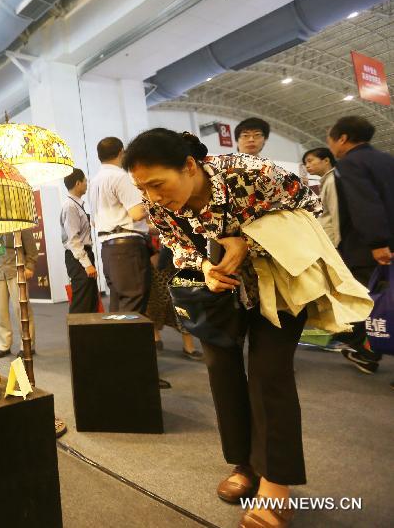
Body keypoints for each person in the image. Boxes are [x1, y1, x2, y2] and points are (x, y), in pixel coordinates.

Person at [124, 128, 321, 528]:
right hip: (218, 295)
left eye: (158, 183)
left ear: (190, 165)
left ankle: (275, 482)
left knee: (270, 373)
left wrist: (249, 242)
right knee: (220, 369)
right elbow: (177, 245)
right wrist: (205, 268)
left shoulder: (250, 173)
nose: (154, 196)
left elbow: (312, 214)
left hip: (280, 283)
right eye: (143, 187)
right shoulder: (156, 201)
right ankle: (244, 464)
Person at [326, 116, 394, 374]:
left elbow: (365, 204)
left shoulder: (350, 163)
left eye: (330, 139)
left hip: (370, 249)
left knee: (366, 301)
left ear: (342, 138)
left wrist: (377, 242)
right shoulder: (387, 159)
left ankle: (367, 353)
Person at [91, 137, 151, 313]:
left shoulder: (94, 182)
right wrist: (152, 200)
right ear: (121, 153)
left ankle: (116, 341)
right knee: (133, 303)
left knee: (118, 305)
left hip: (108, 249)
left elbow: (94, 221)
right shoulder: (120, 177)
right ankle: (130, 341)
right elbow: (137, 213)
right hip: (127, 249)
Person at [0, 229, 38, 358]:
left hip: (16, 269)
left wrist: (30, 265)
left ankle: (27, 344)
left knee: (22, 309)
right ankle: (3, 345)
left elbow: (31, 246)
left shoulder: (17, 221)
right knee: (0, 311)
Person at [146, 243, 203, 361]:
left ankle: (189, 346)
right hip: (151, 259)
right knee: (154, 301)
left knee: (182, 303)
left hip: (176, 258)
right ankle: (156, 337)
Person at [61, 168, 100, 313]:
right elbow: (73, 240)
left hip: (83, 255)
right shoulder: (70, 206)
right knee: (82, 301)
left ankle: (89, 335)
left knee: (90, 300)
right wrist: (87, 264)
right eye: (85, 181)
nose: (86, 183)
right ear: (78, 183)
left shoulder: (76, 204)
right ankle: (78, 335)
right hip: (78, 258)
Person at [302, 147, 339, 246]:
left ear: (326, 160)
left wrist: (339, 244)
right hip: (329, 241)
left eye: (310, 161)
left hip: (334, 242)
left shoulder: (332, 181)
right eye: (305, 163)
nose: (307, 166)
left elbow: (336, 213)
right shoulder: (326, 181)